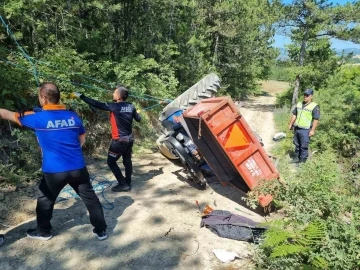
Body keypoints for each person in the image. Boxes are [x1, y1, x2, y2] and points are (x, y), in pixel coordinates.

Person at [0, 82, 107, 241]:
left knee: (45, 201)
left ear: (43, 97)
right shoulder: (73, 116)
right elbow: (82, 139)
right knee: (90, 198)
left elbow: (6, 114)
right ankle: (101, 231)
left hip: (55, 171)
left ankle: (44, 232)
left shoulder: (36, 117)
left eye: (39, 96)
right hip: (78, 167)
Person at [73, 85, 141, 192]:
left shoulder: (114, 106)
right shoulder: (131, 106)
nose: (113, 94)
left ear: (119, 97)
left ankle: (123, 184)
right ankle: (127, 181)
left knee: (111, 162)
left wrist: (81, 96)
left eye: (114, 92)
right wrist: (137, 113)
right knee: (127, 160)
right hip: (129, 139)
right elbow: (138, 119)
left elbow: (96, 104)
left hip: (119, 141)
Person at [288, 88, 320, 163]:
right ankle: (296, 159)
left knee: (304, 146)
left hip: (305, 130)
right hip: (297, 128)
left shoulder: (314, 106)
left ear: (311, 96)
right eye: (304, 95)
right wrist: (290, 124)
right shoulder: (299, 104)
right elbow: (294, 115)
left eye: (307, 95)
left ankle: (302, 162)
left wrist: (312, 130)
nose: (305, 96)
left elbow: (316, 119)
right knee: (296, 144)